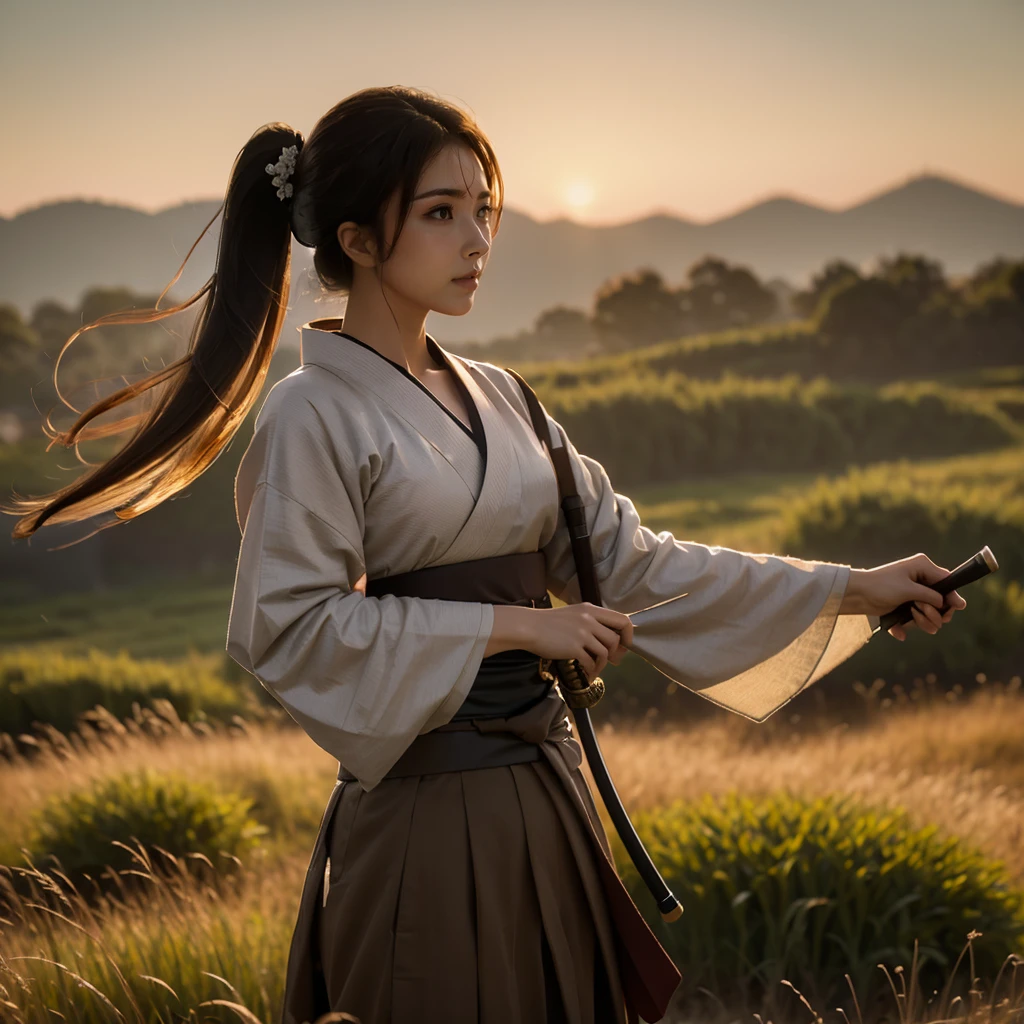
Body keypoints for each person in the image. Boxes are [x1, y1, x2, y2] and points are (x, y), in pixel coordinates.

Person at [4, 85, 966, 1024]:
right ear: (358, 240)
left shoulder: (506, 396)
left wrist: (852, 587)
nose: (477, 241)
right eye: (441, 212)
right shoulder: (311, 413)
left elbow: (637, 563)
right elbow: (287, 628)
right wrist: (520, 627)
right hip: (425, 816)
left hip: (549, 802)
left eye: (484, 210)